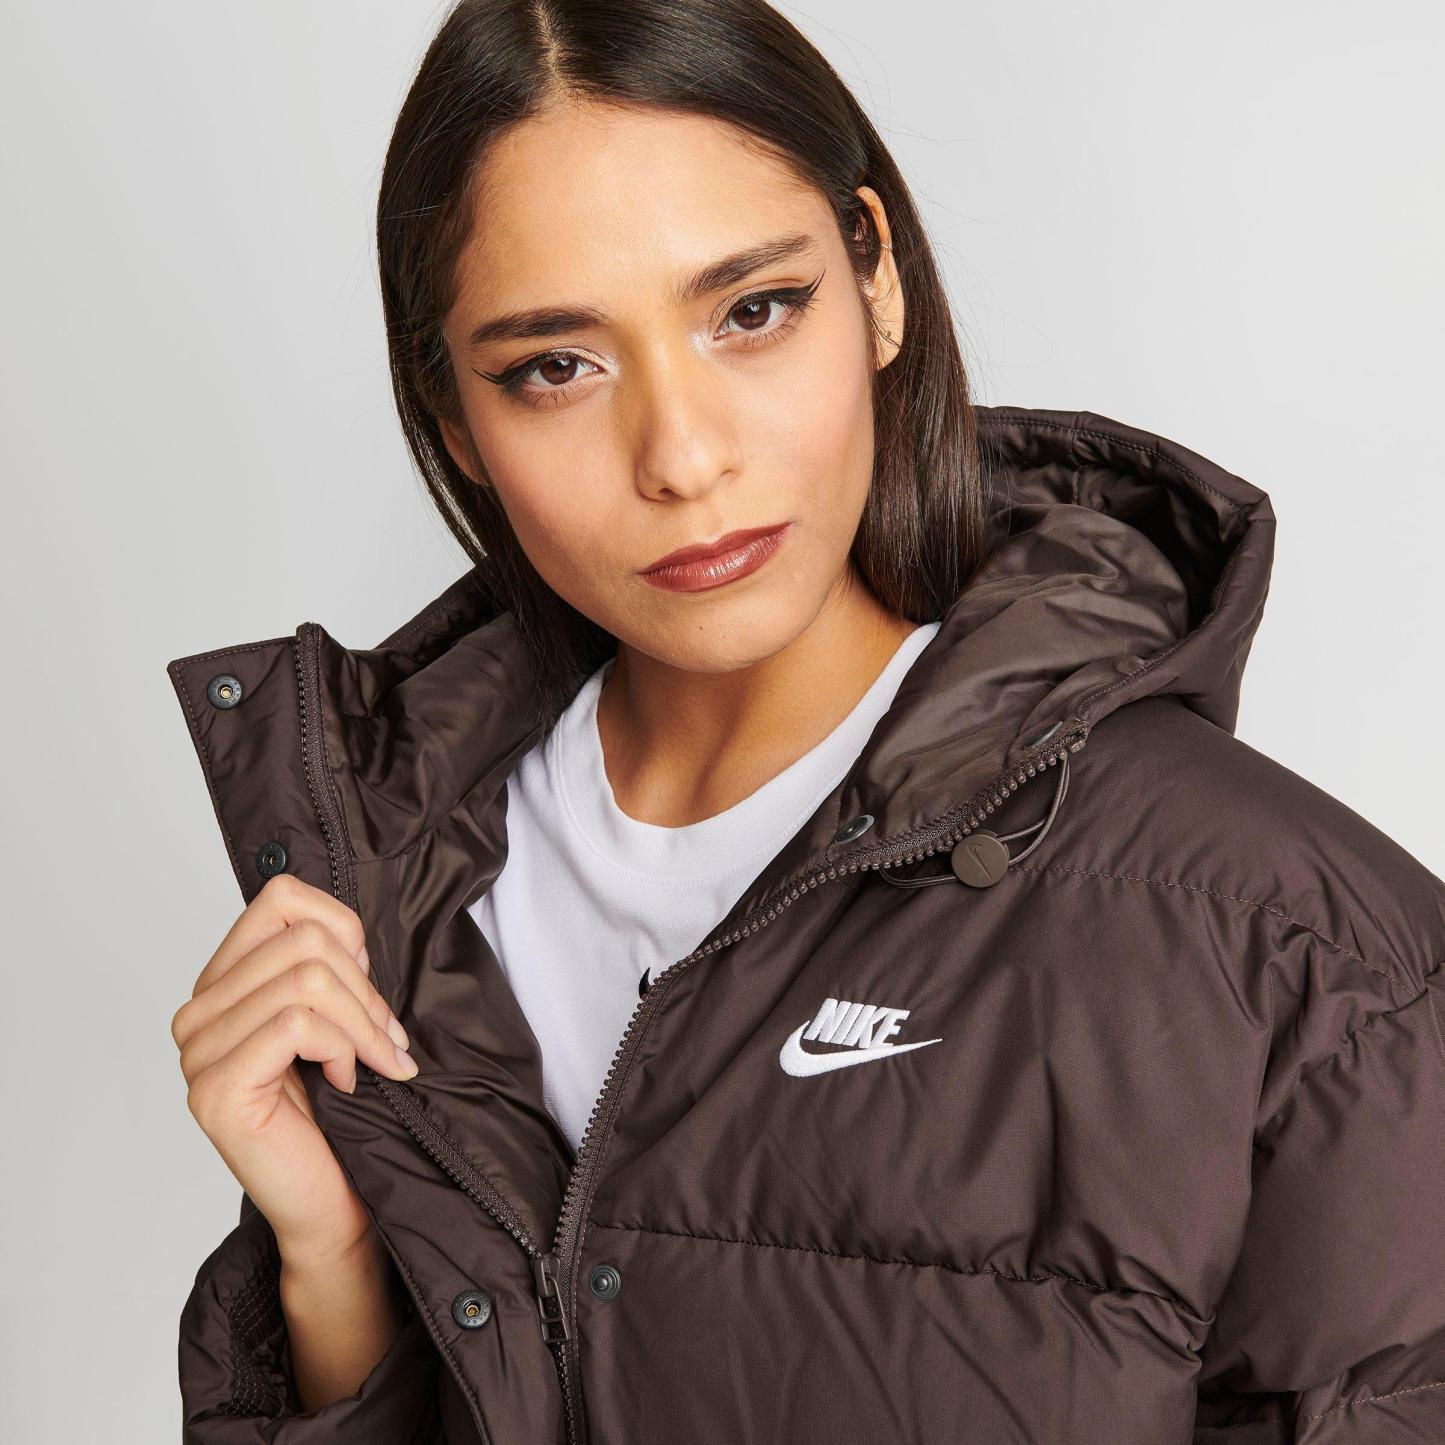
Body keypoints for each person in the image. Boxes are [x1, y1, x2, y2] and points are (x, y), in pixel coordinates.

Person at [165, 1, 1445, 1441]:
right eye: (556, 366)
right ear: (455, 418)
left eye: (752, 311)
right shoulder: (396, 903)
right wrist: (332, 1261)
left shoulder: (1304, 951)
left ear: (876, 277)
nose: (682, 456)